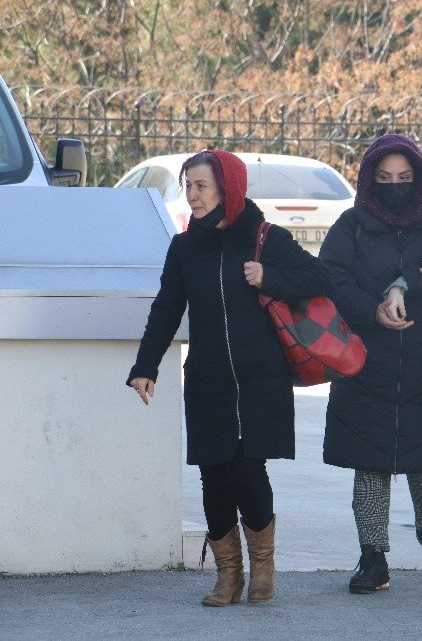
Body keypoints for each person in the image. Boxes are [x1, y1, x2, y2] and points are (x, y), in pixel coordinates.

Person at [127, 149, 331, 607]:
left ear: (228, 188)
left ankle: (263, 569)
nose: (192, 196)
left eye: (200, 185)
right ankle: (227, 575)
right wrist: (145, 366)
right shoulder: (184, 247)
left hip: (259, 380)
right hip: (208, 380)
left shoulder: (264, 238)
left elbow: (319, 276)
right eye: (188, 186)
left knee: (246, 470)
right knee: (213, 475)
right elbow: (166, 309)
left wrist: (269, 277)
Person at [318, 134, 422, 594]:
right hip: (365, 355)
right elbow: (333, 278)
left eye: (403, 178)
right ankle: (372, 556)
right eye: (384, 179)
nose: (394, 186)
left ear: (419, 178)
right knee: (370, 459)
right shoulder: (350, 225)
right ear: (369, 180)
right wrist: (371, 310)